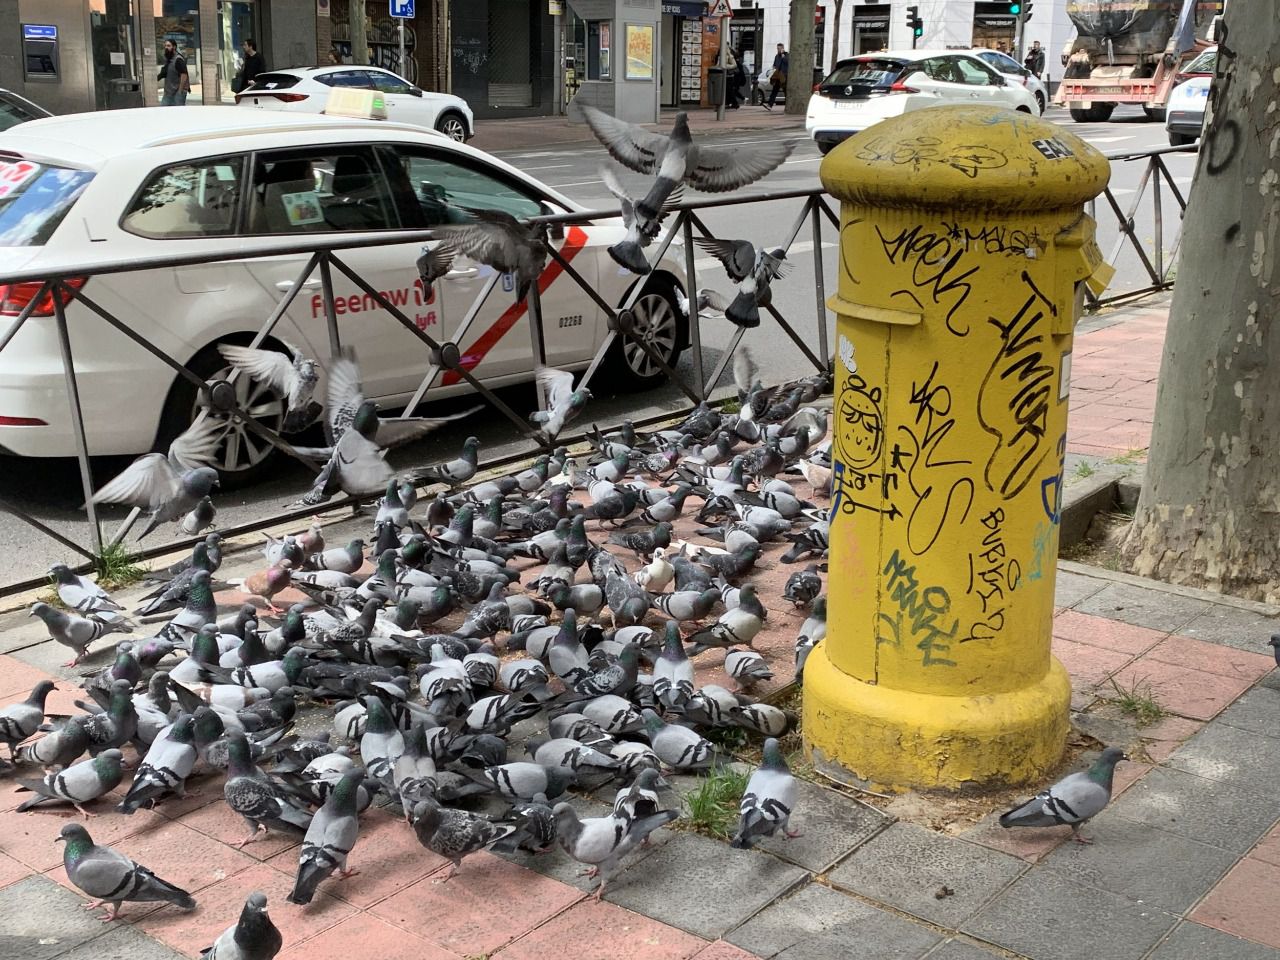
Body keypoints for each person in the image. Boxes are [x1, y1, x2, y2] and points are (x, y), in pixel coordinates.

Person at [158, 38, 190, 106]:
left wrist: (180, 91)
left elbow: (184, 75)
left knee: (177, 113)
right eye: (165, 46)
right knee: (163, 111)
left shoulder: (178, 59)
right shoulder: (169, 59)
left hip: (177, 93)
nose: (166, 48)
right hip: (169, 93)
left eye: (168, 46)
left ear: (174, 47)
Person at [766, 43, 787, 110]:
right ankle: (770, 104)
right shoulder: (776, 56)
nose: (778, 50)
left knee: (785, 91)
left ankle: (787, 105)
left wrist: (783, 55)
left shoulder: (787, 55)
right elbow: (775, 64)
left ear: (783, 48)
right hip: (778, 75)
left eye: (779, 48)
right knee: (774, 90)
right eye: (777, 48)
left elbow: (787, 62)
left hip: (784, 75)